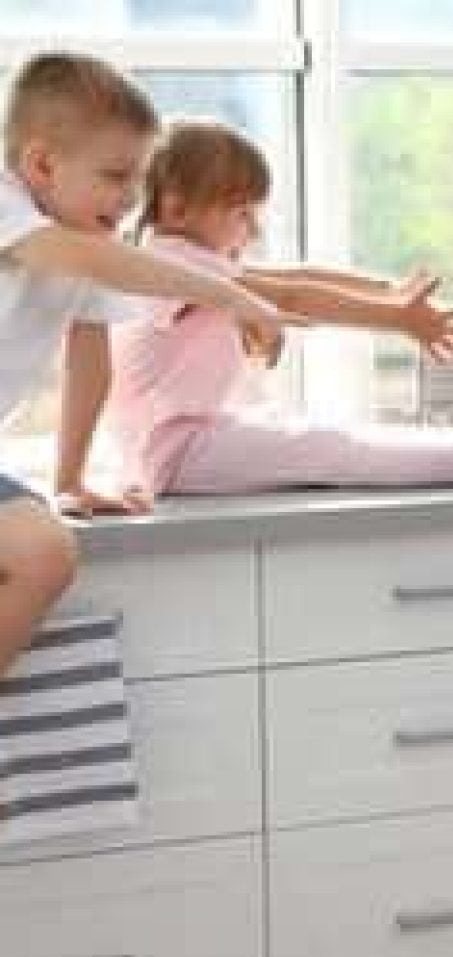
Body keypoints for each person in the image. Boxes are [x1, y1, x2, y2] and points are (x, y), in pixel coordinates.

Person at [0, 52, 299, 682]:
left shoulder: (88, 242)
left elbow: (90, 361)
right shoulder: (12, 208)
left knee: (48, 553)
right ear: (41, 165)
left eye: (139, 179)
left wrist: (71, 478)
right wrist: (230, 293)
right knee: (41, 550)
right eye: (115, 176)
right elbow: (80, 259)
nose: (133, 199)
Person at [95, 119, 453, 498]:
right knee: (328, 447)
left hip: (179, 441)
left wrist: (390, 291)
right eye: (242, 213)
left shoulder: (179, 258)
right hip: (173, 451)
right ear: (177, 210)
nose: (252, 231)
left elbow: (298, 276)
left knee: (319, 434)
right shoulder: (169, 262)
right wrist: (395, 317)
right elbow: (293, 295)